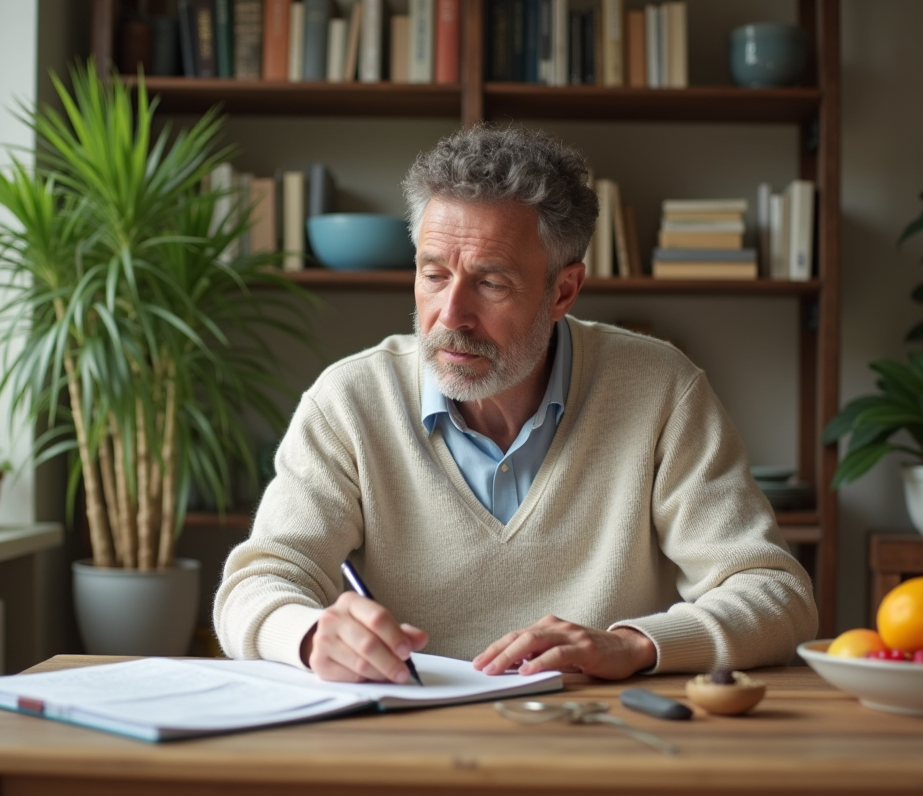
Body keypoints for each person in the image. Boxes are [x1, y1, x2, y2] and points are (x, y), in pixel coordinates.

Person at [214, 125, 817, 684]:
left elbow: (774, 592)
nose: (451, 316)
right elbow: (257, 583)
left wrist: (635, 644)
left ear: (563, 290)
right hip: (405, 742)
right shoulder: (349, 401)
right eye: (433, 275)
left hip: (599, 742)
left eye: (491, 282)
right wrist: (313, 633)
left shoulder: (661, 391)